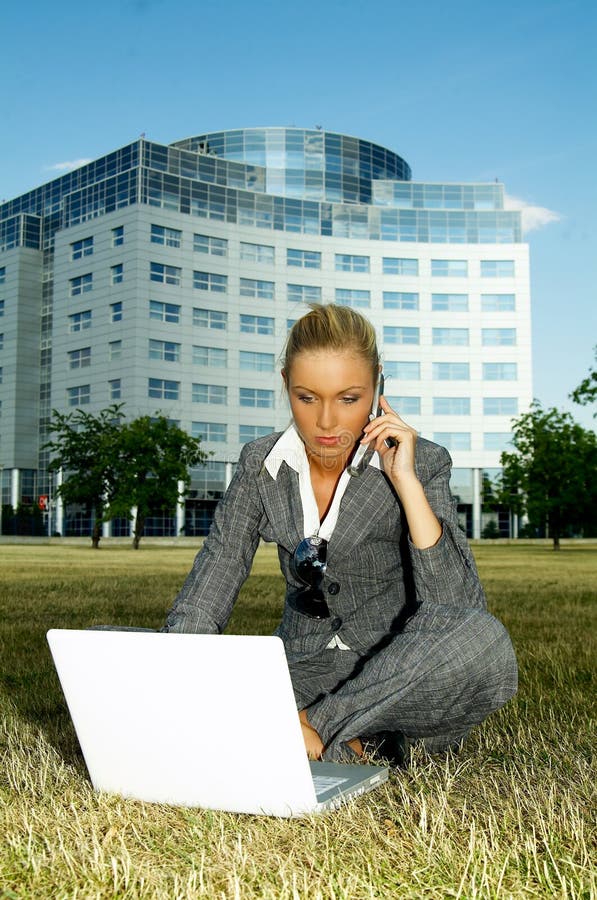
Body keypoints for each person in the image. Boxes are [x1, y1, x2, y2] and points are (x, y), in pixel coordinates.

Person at [164, 304, 517, 765]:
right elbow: (215, 576)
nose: (326, 422)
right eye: (307, 398)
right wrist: (170, 672)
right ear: (286, 384)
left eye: (348, 399)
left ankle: (318, 728)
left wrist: (405, 481)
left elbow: (455, 607)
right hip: (301, 668)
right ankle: (347, 746)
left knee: (481, 639)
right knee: (115, 645)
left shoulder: (423, 461)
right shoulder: (260, 464)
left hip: (395, 674)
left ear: (378, 388)